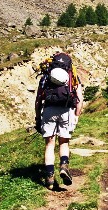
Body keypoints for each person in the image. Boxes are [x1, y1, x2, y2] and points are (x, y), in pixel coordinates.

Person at [34, 52, 84, 189]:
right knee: (64, 143)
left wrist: (38, 117)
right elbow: (80, 99)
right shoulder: (72, 76)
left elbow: (38, 100)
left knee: (49, 145)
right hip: (66, 110)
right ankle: (63, 166)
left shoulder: (46, 76)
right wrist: (76, 115)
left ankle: (50, 177)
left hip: (49, 110)